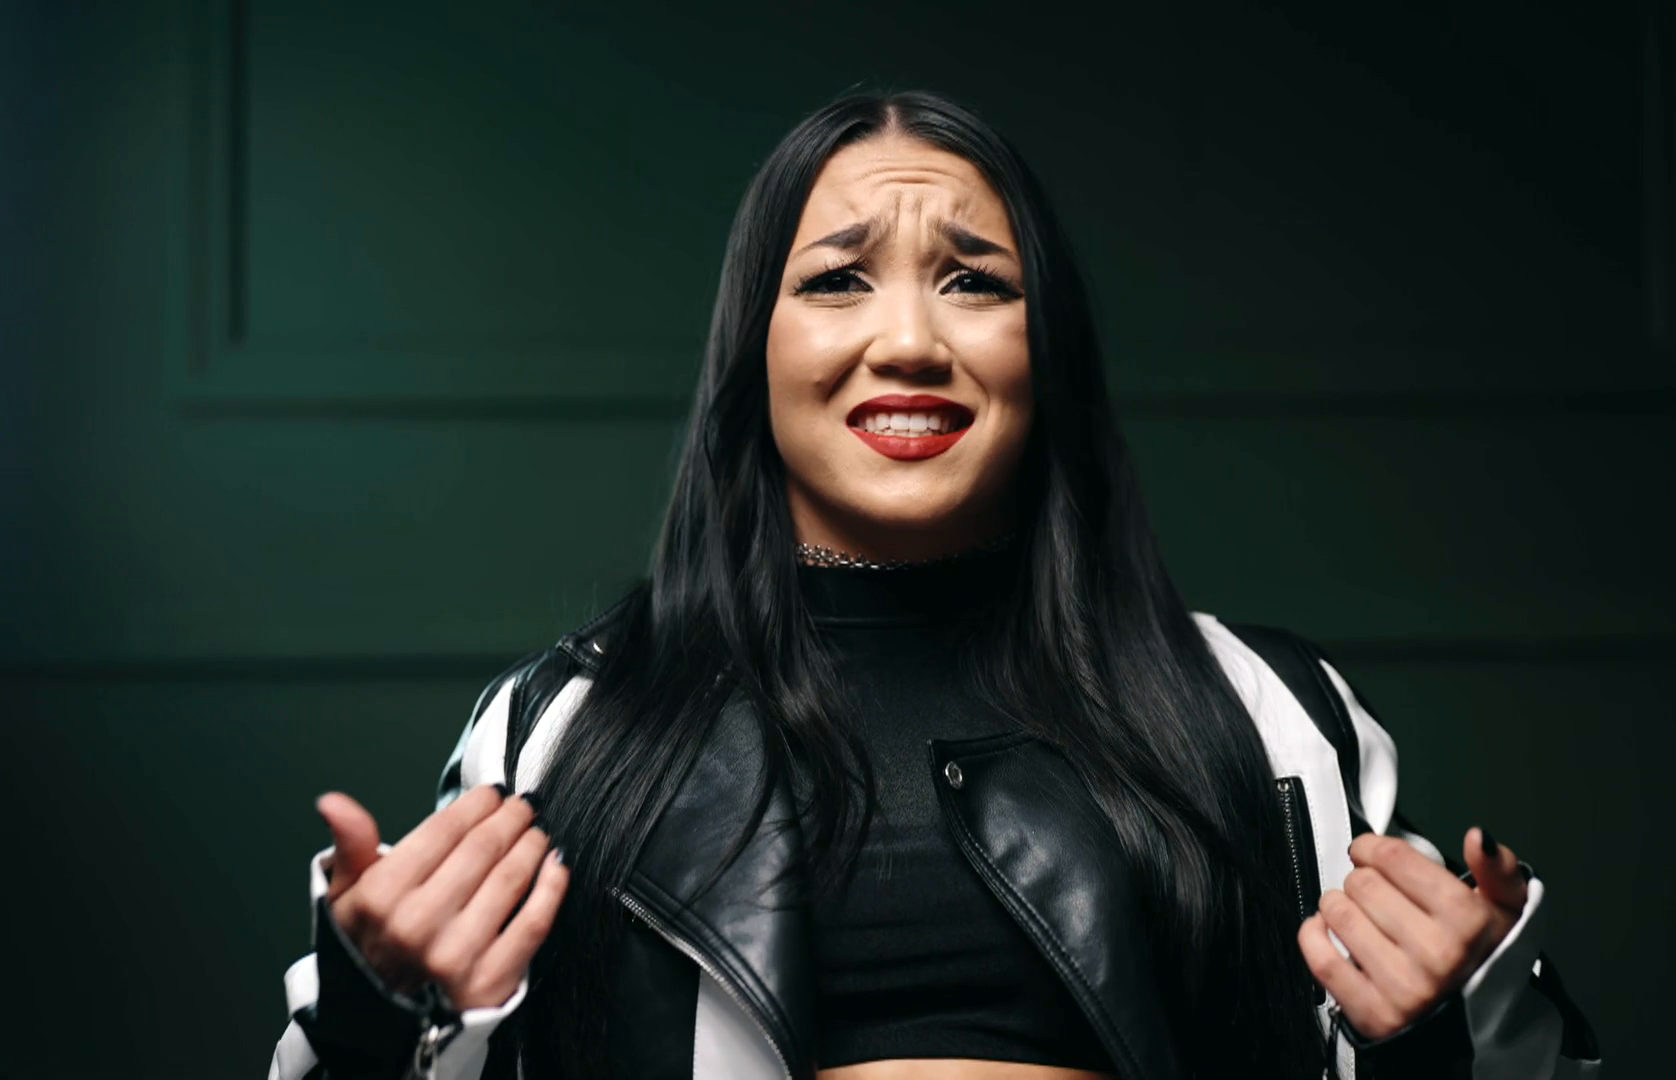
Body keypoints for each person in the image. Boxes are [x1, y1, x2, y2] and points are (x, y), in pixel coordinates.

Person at [268, 90, 1601, 1080]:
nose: (908, 339)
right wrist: (380, 1018)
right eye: (838, 280)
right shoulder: (565, 732)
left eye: (974, 281)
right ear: (753, 354)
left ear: (1045, 350)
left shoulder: (1264, 715)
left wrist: (1463, 1021)